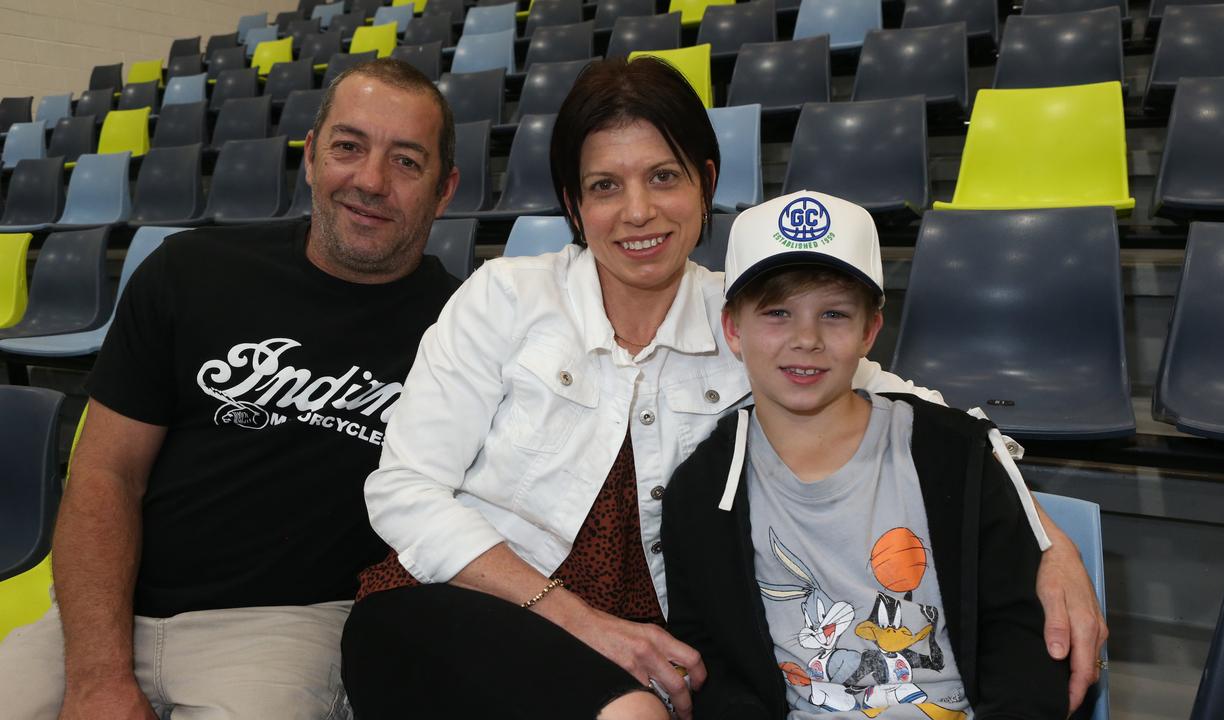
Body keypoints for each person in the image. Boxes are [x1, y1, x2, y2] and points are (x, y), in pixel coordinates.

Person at [342, 57, 1103, 720]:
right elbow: (404, 492)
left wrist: (1050, 540)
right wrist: (576, 619)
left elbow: (934, 424)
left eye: (663, 177)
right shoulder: (504, 296)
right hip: (458, 604)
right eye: (605, 185)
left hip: (651, 646)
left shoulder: (748, 320)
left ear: (705, 181)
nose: (637, 212)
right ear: (574, 204)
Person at [0, 58, 461, 719]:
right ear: (310, 158)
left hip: (282, 631)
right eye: (348, 147)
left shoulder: (465, 332)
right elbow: (105, 473)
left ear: (444, 190)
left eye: (407, 162)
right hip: (105, 611)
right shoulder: (190, 272)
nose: (370, 181)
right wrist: (100, 675)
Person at [661, 190, 1069, 719]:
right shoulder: (701, 490)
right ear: (733, 329)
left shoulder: (955, 453)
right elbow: (718, 672)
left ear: (869, 330)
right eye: (778, 312)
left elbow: (1021, 650)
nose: (806, 339)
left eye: (834, 314)